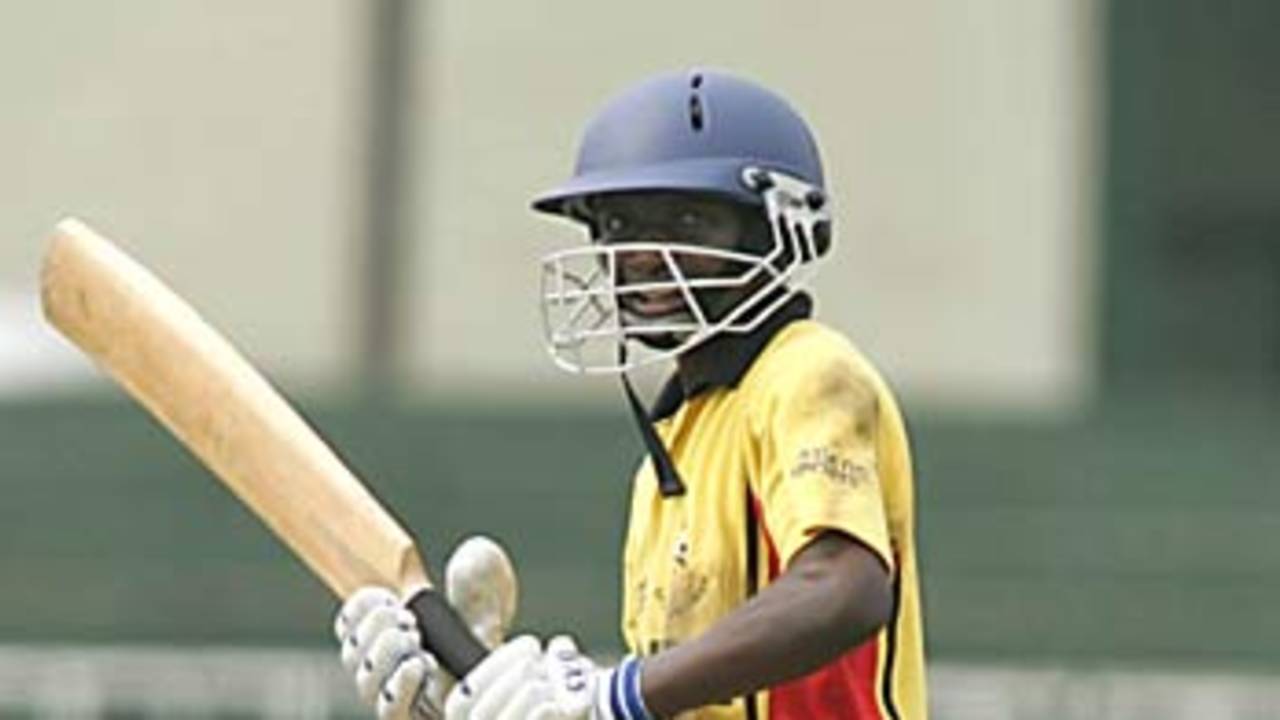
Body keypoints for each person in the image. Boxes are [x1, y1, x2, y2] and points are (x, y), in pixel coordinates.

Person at [334, 69, 927, 719]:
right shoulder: (668, 457)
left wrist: (612, 694)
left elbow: (844, 587)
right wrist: (480, 696)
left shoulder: (810, 375)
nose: (642, 255)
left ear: (774, 228)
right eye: (620, 224)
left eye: (689, 219)